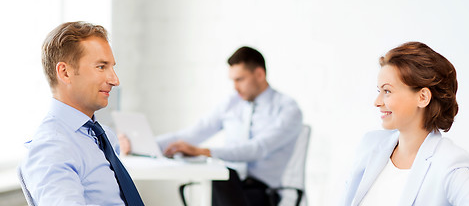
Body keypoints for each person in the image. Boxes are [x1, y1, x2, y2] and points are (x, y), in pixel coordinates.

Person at [120, 46, 303, 206]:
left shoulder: (288, 109)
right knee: (220, 175)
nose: (235, 87)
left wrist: (204, 152)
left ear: (260, 74)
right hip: (228, 184)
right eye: (232, 80)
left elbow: (258, 149)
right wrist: (141, 144)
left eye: (240, 79)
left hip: (262, 192)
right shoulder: (233, 103)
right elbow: (193, 134)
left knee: (221, 174)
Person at [341, 42, 469, 205]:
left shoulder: (447, 162)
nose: (377, 102)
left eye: (387, 91)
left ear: (422, 97)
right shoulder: (370, 144)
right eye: (379, 91)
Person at [21, 22, 144, 206]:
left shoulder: (104, 136)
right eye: (101, 67)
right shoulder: (52, 148)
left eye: (112, 67)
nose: (115, 80)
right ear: (65, 72)